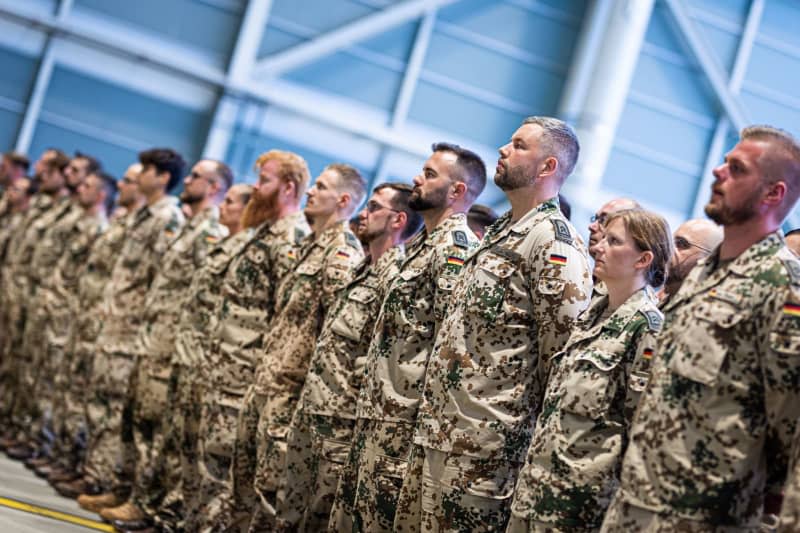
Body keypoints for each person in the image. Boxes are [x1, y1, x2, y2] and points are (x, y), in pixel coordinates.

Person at [393, 117, 592, 531]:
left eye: (519, 145)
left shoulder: (554, 243)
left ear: (547, 167)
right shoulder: (503, 231)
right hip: (438, 432)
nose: (503, 149)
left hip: (484, 451)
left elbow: (562, 359)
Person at [601, 125, 800, 531]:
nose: (716, 172)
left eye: (736, 169)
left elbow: (792, 431)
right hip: (634, 505)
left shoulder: (782, 286)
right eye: (724, 162)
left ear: (773, 194)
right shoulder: (705, 272)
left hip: (699, 519)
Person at [329, 142, 485, 531]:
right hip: (376, 412)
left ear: (456, 192)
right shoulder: (421, 246)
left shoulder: (455, 247)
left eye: (431, 174)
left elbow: (451, 339)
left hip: (402, 423)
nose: (419, 178)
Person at [507, 209, 671, 531]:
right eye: (603, 238)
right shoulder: (594, 313)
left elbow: (640, 428)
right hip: (533, 492)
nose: (598, 247)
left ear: (643, 259)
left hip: (579, 508)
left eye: (614, 241)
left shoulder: (647, 327)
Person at [274, 183, 422, 531]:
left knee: (318, 518)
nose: (363, 214)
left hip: (340, 423)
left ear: (398, 220)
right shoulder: (360, 270)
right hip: (313, 409)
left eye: (374, 207)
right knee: (286, 513)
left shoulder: (394, 278)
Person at [110, 184, 256, 532]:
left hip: (207, 362)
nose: (224, 207)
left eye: (232, 202)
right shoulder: (222, 242)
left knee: (184, 446)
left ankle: (165, 514)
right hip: (178, 349)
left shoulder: (230, 242)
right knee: (165, 435)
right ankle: (147, 504)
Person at [238, 163, 366, 531]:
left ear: (342, 200)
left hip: (291, 390)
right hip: (268, 378)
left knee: (271, 492)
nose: (311, 191)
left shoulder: (342, 253)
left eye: (321, 187)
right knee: (244, 480)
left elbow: (337, 331)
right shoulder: (307, 246)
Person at [189, 150, 311, 531]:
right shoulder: (261, 231)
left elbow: (284, 316)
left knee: (224, 471)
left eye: (265, 181)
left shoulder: (292, 237)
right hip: (222, 364)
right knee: (205, 462)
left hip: (244, 372)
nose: (256, 189)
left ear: (288, 187)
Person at [77, 148, 186, 513]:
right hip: (114, 324)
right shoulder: (142, 215)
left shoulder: (167, 218)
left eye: (147, 170)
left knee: (115, 414)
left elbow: (160, 279)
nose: (139, 177)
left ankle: (108, 481)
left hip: (133, 331)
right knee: (102, 409)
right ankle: (102, 479)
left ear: (163, 177)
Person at [52, 165, 145, 498]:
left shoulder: (160, 224)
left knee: (105, 406)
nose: (124, 183)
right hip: (94, 319)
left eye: (132, 179)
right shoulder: (126, 223)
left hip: (121, 332)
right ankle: (76, 463)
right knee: (82, 394)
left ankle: (95, 475)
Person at [659, 218, 722, 305]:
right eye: (669, 242)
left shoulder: (701, 306)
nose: (668, 249)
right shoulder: (659, 300)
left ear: (708, 259)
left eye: (681, 243)